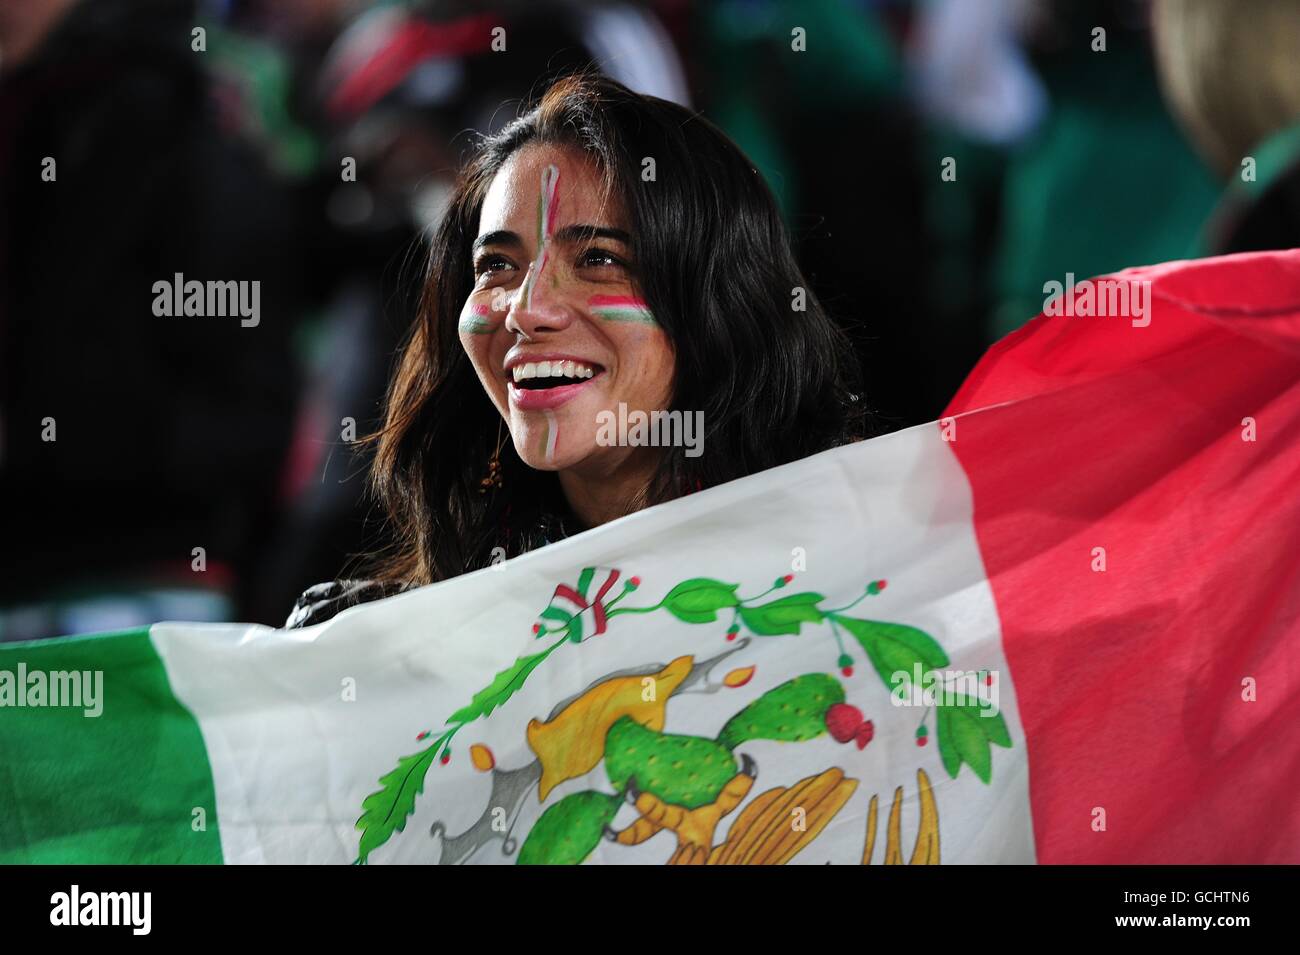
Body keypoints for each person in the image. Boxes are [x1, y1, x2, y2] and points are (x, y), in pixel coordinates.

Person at [287, 72, 865, 628]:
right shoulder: (384, 643)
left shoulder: (868, 580)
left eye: (599, 259)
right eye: (497, 266)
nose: (525, 309)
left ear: (725, 302)